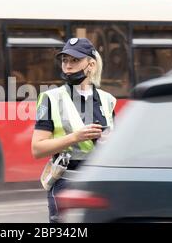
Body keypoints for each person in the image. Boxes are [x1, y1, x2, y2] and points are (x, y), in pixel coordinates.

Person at [31, 38, 116, 223]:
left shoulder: (107, 100)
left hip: (102, 183)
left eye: (74, 60)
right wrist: (74, 137)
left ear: (91, 64)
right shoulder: (50, 98)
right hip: (66, 182)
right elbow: (37, 149)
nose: (68, 66)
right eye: (64, 61)